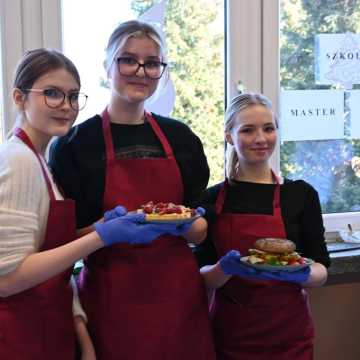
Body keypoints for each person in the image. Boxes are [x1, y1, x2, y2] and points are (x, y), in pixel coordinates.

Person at [0, 48, 186, 360]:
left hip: (48, 326)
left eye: (73, 96)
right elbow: (7, 279)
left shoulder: (39, 160)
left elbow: (47, 254)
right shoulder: (18, 160)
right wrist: (102, 237)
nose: (66, 106)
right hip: (20, 335)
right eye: (52, 94)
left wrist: (98, 228)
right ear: (19, 98)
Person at [49, 20, 216, 360]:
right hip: (113, 305)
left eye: (152, 63)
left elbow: (201, 232)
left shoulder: (182, 139)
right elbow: (64, 243)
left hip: (180, 305)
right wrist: (108, 232)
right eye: (128, 59)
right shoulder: (75, 144)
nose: (140, 71)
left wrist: (188, 223)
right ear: (107, 66)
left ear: (160, 72)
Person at [195, 92, 331, 360]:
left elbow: (322, 268)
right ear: (229, 136)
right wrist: (225, 268)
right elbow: (202, 277)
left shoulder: (301, 195)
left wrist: (302, 274)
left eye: (268, 128)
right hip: (231, 336)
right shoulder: (212, 199)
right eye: (247, 130)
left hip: (289, 336)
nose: (260, 138)